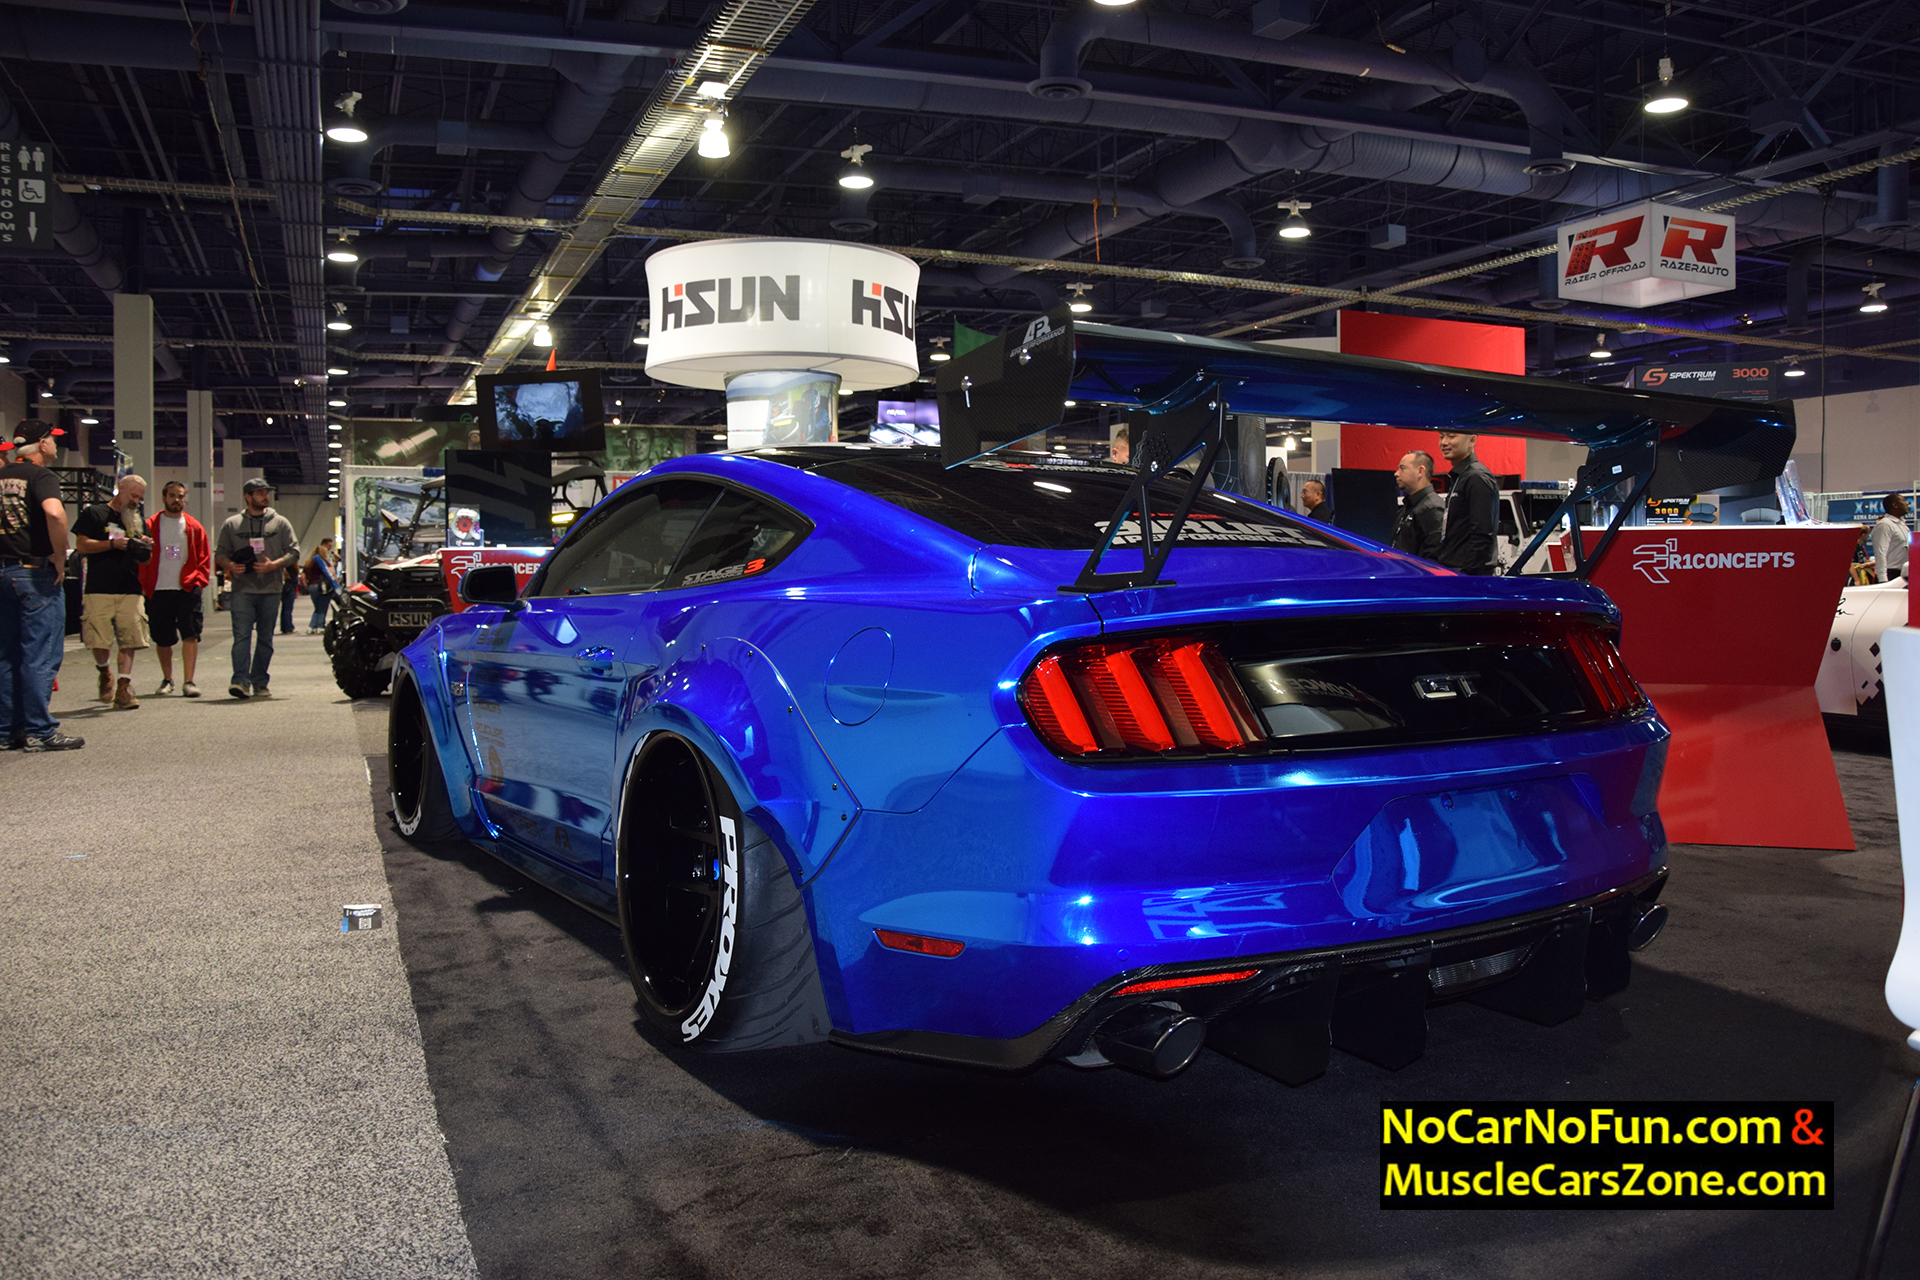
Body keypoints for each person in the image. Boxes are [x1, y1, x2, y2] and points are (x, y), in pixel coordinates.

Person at [0, 422, 81, 751]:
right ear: (41, 444)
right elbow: (55, 514)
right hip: (34, 573)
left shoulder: (1, 476)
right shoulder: (41, 476)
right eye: (52, 439)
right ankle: (39, 730)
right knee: (40, 654)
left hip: (3, 572)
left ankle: (7, 731)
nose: (55, 445)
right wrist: (59, 557)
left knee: (7, 655)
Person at [74, 474, 152, 710]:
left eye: (139, 498)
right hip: (99, 587)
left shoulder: (138, 521)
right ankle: (104, 671)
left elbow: (146, 560)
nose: (135, 501)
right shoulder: (94, 513)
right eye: (133, 495)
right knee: (99, 639)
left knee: (130, 637)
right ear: (120, 489)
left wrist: (144, 546)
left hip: (130, 588)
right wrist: (111, 544)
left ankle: (124, 687)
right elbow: (81, 545)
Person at [215, 477, 299, 699]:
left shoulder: (280, 523)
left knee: (265, 639)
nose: (265, 496)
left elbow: (294, 552)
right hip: (242, 590)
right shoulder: (232, 524)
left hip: (271, 590)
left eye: (266, 492)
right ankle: (240, 681)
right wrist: (229, 565)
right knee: (241, 637)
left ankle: (260, 682)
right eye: (260, 492)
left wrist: (275, 565)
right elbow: (220, 553)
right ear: (248, 496)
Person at [140, 479, 210, 697]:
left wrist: (198, 581)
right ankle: (167, 678)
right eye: (172, 496)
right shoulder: (150, 525)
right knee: (162, 637)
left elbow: (204, 557)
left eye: (180, 496)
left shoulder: (194, 527)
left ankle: (189, 681)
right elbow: (140, 556)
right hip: (158, 589)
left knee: (191, 633)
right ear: (164, 498)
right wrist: (143, 584)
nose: (177, 500)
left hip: (187, 588)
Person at [1435, 431, 1499, 575]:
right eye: (1441, 436)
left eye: (1451, 436)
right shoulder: (1460, 476)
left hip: (1467, 574)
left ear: (1472, 440)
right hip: (1453, 569)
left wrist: (1467, 575)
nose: (1444, 442)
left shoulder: (1477, 477)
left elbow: (1482, 534)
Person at [1391, 450, 1445, 559]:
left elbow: (1434, 559)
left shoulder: (1433, 509)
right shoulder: (1407, 507)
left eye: (1402, 468)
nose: (1396, 473)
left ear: (1420, 471)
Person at [304, 536, 339, 633]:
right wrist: (336, 584)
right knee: (322, 607)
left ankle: (311, 627)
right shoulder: (323, 562)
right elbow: (331, 573)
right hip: (323, 586)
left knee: (317, 608)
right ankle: (320, 626)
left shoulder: (309, 562)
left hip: (312, 586)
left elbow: (304, 575)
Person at [1873, 493, 1910, 583]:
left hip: (1903, 574)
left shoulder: (1902, 525)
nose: (1907, 503)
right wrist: (1883, 579)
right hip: (1890, 574)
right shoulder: (1884, 525)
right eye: (1904, 501)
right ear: (1895, 505)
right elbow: (1880, 553)